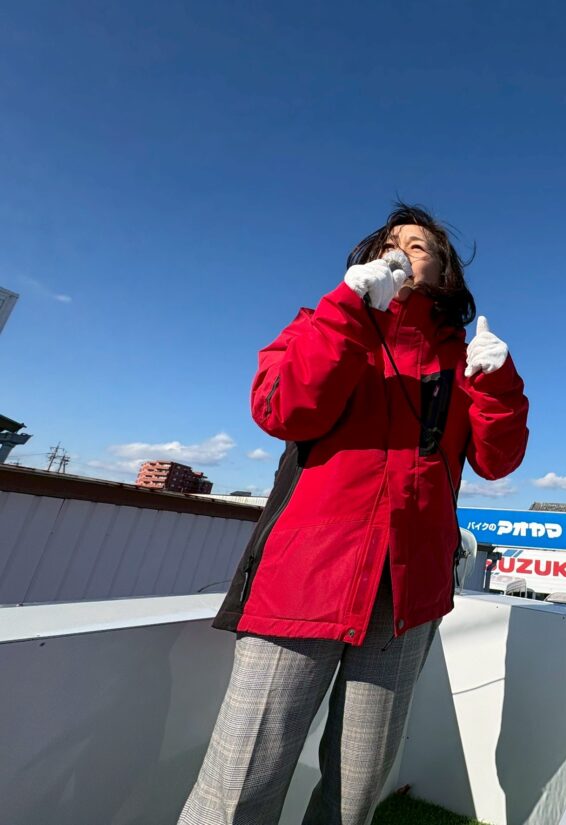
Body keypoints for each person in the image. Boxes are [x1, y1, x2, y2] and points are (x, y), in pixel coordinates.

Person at [179, 203, 530, 824]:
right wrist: (348, 309)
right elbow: (282, 410)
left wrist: (497, 382)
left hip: (408, 593)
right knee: (242, 779)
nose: (402, 251)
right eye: (390, 243)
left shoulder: (462, 358)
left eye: (419, 246)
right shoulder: (323, 321)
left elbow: (497, 461)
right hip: (304, 578)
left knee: (357, 787)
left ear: (444, 272)